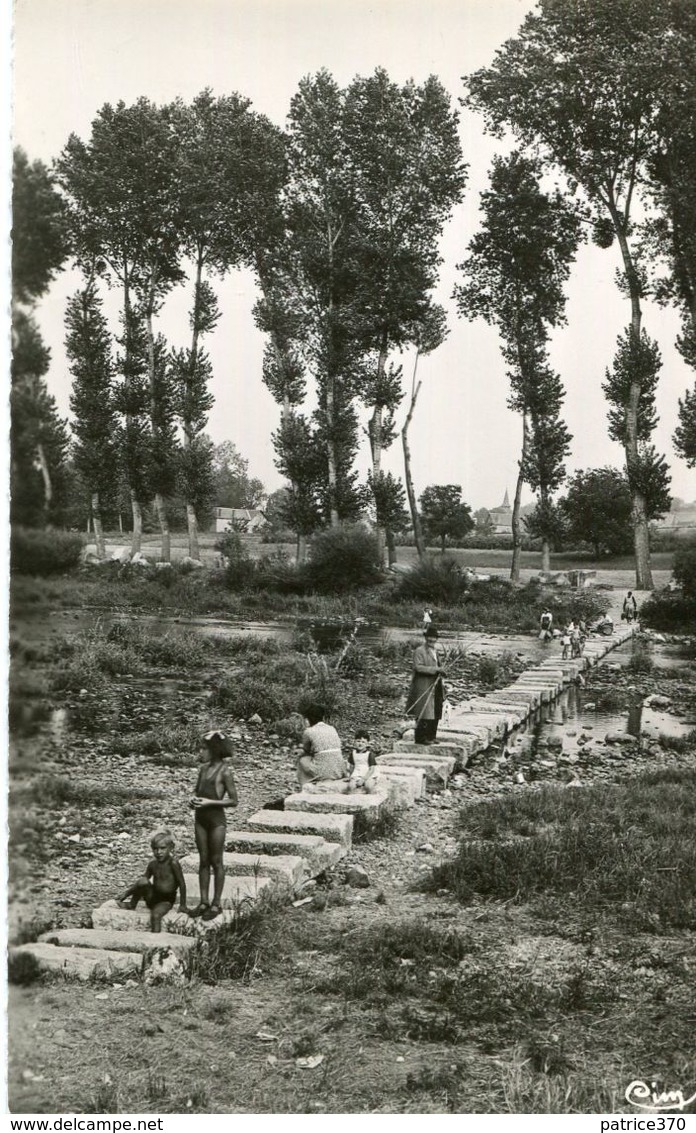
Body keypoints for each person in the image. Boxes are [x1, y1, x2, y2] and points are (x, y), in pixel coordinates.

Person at [189, 730, 238, 922]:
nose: (201, 752)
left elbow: (234, 801)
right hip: (200, 819)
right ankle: (203, 901)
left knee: (216, 861)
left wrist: (210, 803)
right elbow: (197, 790)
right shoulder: (203, 770)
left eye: (204, 749)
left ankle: (216, 903)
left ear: (214, 751)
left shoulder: (224, 772)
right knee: (203, 860)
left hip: (216, 821)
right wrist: (192, 800)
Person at [117, 830, 187, 932]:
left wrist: (183, 905)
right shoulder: (153, 864)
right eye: (155, 849)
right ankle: (132, 904)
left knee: (155, 915)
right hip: (152, 896)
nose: (159, 852)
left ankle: (155, 940)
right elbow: (141, 883)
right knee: (143, 881)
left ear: (171, 848)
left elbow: (182, 884)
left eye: (162, 848)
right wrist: (127, 893)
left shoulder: (173, 864)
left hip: (165, 900)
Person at [405, 625, 445, 745]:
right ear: (426, 638)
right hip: (424, 686)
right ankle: (421, 738)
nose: (432, 640)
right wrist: (436, 669)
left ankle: (431, 736)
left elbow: (438, 666)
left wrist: (442, 671)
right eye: (429, 637)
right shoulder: (419, 651)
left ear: (436, 639)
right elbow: (418, 667)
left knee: (436, 710)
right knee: (424, 711)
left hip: (436, 685)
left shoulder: (435, 651)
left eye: (434, 638)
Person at [297, 702, 346, 791]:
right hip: (338, 770)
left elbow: (306, 750)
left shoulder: (309, 731)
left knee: (302, 759)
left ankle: (305, 786)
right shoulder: (332, 728)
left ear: (308, 719)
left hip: (323, 771)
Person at [345, 729, 380, 793]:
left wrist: (363, 779)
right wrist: (351, 777)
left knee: (368, 786)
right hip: (357, 773)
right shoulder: (353, 753)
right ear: (354, 742)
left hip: (368, 774)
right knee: (350, 787)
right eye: (358, 741)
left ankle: (370, 797)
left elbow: (371, 769)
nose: (360, 744)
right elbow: (352, 766)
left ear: (367, 744)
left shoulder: (369, 754)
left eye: (363, 742)